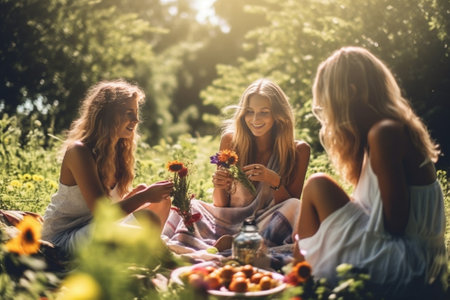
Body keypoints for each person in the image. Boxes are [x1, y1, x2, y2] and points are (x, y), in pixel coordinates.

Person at [295, 47, 447, 298]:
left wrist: (328, 227)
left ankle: (296, 280)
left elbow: (395, 224)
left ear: (351, 94)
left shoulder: (385, 133)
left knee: (317, 185)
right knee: (317, 200)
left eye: (328, 104)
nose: (327, 115)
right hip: (412, 258)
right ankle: (301, 273)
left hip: (407, 263)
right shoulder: (380, 133)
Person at [162, 79, 310, 265]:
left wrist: (274, 180)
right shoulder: (231, 141)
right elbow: (220, 203)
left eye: (264, 112)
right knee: (192, 208)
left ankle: (236, 246)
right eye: (250, 112)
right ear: (243, 113)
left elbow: (290, 209)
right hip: (227, 220)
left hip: (264, 225)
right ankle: (238, 247)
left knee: (296, 205)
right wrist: (219, 185)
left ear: (278, 115)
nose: (255, 120)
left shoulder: (299, 150)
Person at [42, 80, 173, 254]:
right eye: (129, 113)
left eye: (136, 113)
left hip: (96, 228)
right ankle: (163, 258)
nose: (136, 119)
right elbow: (103, 213)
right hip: (63, 238)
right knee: (142, 228)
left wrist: (145, 195)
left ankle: (143, 254)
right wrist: (144, 196)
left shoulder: (118, 152)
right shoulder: (79, 151)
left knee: (160, 205)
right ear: (107, 115)